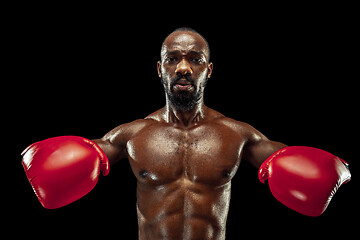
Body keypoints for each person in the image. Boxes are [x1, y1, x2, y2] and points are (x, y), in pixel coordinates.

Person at [21, 27, 351, 240]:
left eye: (194, 59)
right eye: (173, 59)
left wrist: (328, 171)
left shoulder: (237, 134)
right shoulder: (132, 135)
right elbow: (91, 151)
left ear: (208, 70)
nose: (183, 67)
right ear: (160, 68)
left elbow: (286, 158)